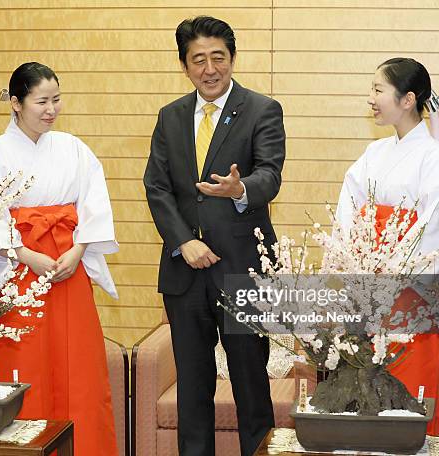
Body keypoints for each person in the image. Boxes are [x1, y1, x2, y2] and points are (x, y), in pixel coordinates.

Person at [144, 16, 285, 456]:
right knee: (194, 390)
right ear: (185, 65)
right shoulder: (171, 117)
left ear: (232, 58)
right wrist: (183, 241)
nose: (210, 69)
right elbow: (157, 186)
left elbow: (270, 175)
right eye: (198, 60)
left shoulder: (262, 109)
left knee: (250, 387)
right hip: (185, 274)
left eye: (218, 58)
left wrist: (240, 189)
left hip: (244, 271)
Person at [0, 62, 118, 455]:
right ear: (16, 103)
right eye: (41, 101)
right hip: (18, 271)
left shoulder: (73, 148)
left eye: (56, 100)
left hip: (68, 267)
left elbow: (93, 205)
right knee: (24, 364)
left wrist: (79, 249)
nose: (51, 109)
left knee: (79, 366)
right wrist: (23, 253)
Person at [336, 57, 439, 435]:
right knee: (366, 392)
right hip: (369, 288)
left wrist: (393, 275)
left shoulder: (436, 158)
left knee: (410, 391)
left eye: (378, 89)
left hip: (412, 297)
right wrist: (355, 267)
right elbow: (348, 212)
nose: (370, 97)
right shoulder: (374, 154)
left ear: (407, 99)